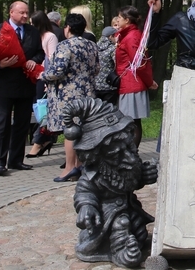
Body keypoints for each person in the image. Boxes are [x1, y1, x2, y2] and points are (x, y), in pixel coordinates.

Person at [63, 97, 157, 267]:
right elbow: (84, 192)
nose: (128, 157)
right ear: (98, 156)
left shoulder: (125, 164)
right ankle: (122, 253)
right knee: (121, 224)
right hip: (106, 217)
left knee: (137, 230)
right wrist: (87, 207)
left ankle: (131, 241)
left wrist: (144, 176)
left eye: (129, 148)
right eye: (116, 154)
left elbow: (130, 183)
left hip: (129, 210)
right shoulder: (94, 175)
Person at [0, 1, 45, 176]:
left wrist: (34, 60)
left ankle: (16, 159)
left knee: (22, 123)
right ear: (11, 12)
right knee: (3, 123)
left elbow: (40, 52)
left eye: (27, 13)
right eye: (22, 13)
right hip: (4, 84)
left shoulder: (33, 31)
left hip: (26, 84)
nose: (25, 16)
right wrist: (0, 64)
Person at [42, 13, 100, 182]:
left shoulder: (64, 46)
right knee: (82, 130)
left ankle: (69, 168)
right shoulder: (91, 45)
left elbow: (58, 70)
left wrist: (43, 75)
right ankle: (80, 165)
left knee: (70, 131)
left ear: (67, 28)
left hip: (68, 95)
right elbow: (97, 69)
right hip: (88, 94)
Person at [116, 6, 157, 149]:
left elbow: (139, 63)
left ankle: (132, 156)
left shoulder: (131, 37)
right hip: (129, 83)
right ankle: (130, 154)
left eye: (120, 18)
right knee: (131, 121)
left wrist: (149, 81)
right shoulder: (127, 35)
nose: (117, 20)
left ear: (127, 20)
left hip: (132, 85)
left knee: (132, 122)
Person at [25, 11, 60, 158]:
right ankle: (42, 139)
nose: (31, 26)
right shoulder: (33, 37)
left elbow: (52, 59)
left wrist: (48, 80)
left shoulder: (50, 37)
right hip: (32, 76)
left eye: (33, 23)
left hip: (43, 77)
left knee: (44, 110)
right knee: (38, 109)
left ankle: (40, 141)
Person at [94, 26, 119, 106]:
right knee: (109, 112)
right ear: (111, 36)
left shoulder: (94, 47)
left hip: (95, 85)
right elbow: (118, 64)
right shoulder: (112, 49)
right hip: (109, 86)